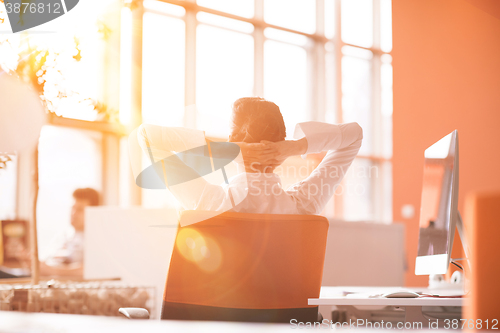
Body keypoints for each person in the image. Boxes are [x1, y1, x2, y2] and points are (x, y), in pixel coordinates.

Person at [135, 97, 362, 215]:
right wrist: (295, 147)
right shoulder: (304, 204)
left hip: (222, 306)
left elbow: (146, 136)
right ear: (281, 143)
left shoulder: (208, 201)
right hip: (285, 305)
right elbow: (354, 136)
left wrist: (228, 150)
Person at [39, 188, 100, 278]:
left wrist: (52, 270)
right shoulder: (66, 236)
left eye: (79, 209)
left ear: (93, 212)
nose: (73, 213)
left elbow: (92, 269)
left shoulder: (97, 239)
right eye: (73, 208)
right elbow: (51, 261)